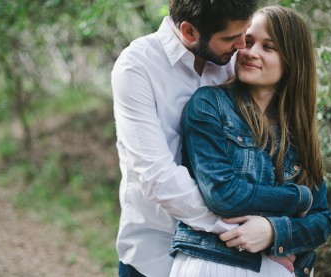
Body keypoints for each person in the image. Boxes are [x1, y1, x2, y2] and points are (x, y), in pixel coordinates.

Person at [169, 6, 331, 277]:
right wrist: (300, 198)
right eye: (248, 40)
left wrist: (273, 231)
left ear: (293, 60)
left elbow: (322, 221)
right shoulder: (210, 104)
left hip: (276, 269)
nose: (249, 51)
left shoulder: (298, 131)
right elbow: (223, 194)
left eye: (268, 47)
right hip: (214, 262)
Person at [111, 0, 261, 276]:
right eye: (230, 37)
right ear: (190, 31)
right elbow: (157, 176)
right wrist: (237, 227)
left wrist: (275, 230)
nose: (242, 45)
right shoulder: (136, 67)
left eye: (245, 32)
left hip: (225, 262)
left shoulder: (233, 63)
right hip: (154, 254)